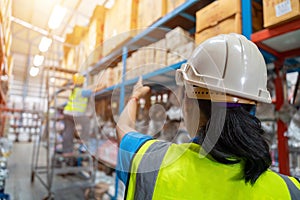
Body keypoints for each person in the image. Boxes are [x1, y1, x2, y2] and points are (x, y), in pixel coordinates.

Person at [116, 33, 300, 199]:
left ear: (189, 105)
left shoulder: (150, 161)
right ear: (254, 106)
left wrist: (135, 96)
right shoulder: (290, 190)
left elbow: (123, 127)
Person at [62, 73, 93, 156]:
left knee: (68, 131)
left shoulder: (74, 90)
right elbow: (92, 91)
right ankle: (83, 140)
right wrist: (102, 86)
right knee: (87, 122)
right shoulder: (81, 91)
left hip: (67, 114)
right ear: (82, 83)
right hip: (75, 114)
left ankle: (67, 151)